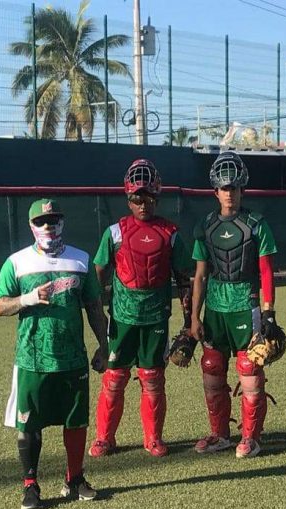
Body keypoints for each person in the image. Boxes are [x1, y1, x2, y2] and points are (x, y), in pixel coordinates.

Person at [0, 198, 108, 509]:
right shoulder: (16, 262)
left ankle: (75, 478)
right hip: (32, 358)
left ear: (62, 223)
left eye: (54, 220)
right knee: (29, 423)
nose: (48, 226)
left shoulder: (80, 260)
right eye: (42, 222)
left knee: (76, 421)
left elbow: (94, 307)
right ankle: (30, 485)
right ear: (32, 226)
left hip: (72, 358)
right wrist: (28, 298)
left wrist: (104, 344)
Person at [88, 159, 193, 459]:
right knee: (115, 377)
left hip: (156, 318)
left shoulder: (170, 234)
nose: (143, 203)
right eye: (137, 197)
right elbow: (98, 273)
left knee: (153, 378)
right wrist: (99, 318)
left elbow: (184, 279)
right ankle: (104, 438)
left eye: (148, 197)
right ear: (128, 198)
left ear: (157, 196)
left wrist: (189, 323)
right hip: (122, 319)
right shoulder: (115, 233)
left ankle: (153, 438)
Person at [189, 151, 280, 459]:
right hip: (215, 307)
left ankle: (251, 436)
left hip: (246, 304)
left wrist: (268, 312)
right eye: (224, 188)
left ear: (243, 189)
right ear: (215, 191)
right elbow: (199, 276)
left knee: (249, 369)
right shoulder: (205, 226)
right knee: (212, 368)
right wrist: (193, 318)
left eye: (234, 187)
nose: (229, 193)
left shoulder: (257, 224)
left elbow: (267, 270)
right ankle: (220, 434)